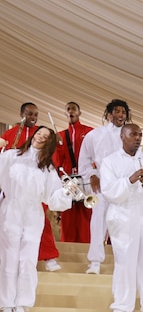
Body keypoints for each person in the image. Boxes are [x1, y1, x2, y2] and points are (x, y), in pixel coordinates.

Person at [99, 123, 143, 312]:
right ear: (122, 136)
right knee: (125, 261)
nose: (137, 138)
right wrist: (129, 181)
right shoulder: (109, 161)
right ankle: (122, 306)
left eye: (139, 135)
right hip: (122, 215)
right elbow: (108, 191)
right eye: (133, 134)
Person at [0, 127, 72, 312]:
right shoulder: (11, 156)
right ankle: (6, 303)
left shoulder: (47, 168)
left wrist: (66, 191)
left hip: (33, 213)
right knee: (8, 258)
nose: (40, 137)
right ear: (33, 135)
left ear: (49, 143)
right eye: (39, 133)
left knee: (28, 259)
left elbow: (52, 197)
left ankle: (22, 303)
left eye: (46, 137)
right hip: (11, 209)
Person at [78, 98, 130, 274]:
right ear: (109, 114)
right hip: (102, 183)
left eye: (123, 112)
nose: (120, 115)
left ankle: (123, 263)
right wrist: (92, 176)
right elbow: (84, 160)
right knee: (98, 221)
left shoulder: (131, 134)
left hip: (124, 185)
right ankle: (95, 262)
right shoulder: (95, 134)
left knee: (123, 223)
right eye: (117, 111)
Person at [52, 101, 94, 243]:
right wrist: (54, 144)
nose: (71, 111)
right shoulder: (60, 135)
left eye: (74, 109)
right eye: (68, 109)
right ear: (65, 113)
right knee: (68, 214)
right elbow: (56, 160)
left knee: (86, 213)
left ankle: (88, 247)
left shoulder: (89, 132)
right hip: (68, 179)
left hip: (86, 179)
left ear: (79, 112)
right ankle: (68, 247)